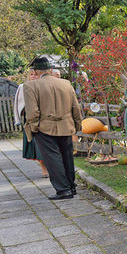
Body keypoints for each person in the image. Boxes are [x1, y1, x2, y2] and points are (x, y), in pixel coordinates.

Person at [23, 57, 83, 200]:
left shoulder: (30, 86)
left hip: (44, 127)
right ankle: (71, 187)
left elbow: (32, 112)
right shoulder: (66, 83)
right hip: (66, 125)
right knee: (67, 156)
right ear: (50, 69)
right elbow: (75, 107)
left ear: (36, 71)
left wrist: (34, 127)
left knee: (52, 157)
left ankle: (63, 190)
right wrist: (77, 124)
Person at [13, 69, 49, 178]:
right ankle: (44, 170)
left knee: (46, 145)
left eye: (36, 74)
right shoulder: (23, 87)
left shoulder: (44, 86)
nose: (33, 76)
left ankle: (49, 168)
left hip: (45, 120)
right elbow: (18, 104)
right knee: (36, 146)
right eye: (31, 74)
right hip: (30, 121)